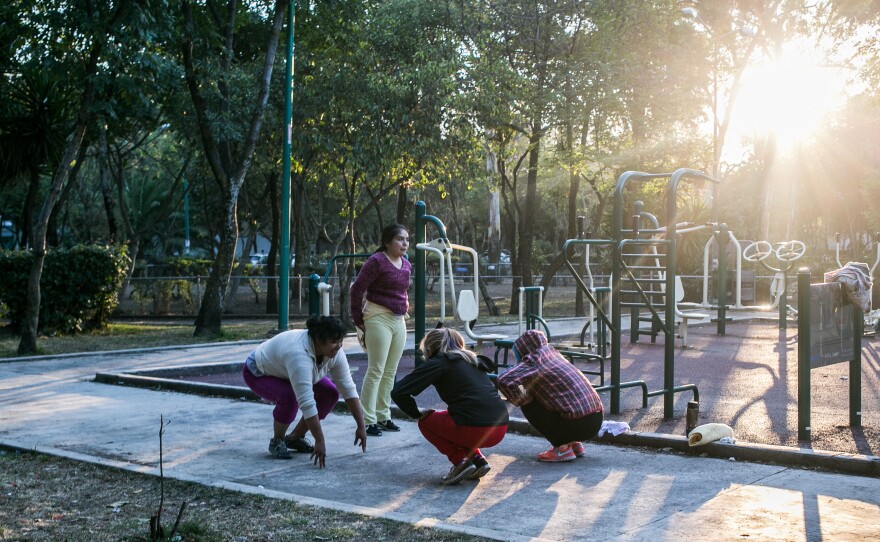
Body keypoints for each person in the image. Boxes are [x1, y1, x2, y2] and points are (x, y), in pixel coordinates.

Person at [242, 315, 367, 467]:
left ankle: (294, 438)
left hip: (285, 370)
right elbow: (306, 402)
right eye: (334, 341)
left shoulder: (334, 352)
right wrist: (319, 440)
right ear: (318, 340)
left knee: (330, 394)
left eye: (341, 340)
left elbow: (348, 387)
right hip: (258, 371)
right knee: (290, 397)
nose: (339, 345)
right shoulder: (298, 354)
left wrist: (361, 426)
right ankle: (277, 441)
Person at [391, 327, 509, 485]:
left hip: (475, 428)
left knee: (426, 422)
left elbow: (399, 392)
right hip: (500, 427)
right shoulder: (473, 360)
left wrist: (416, 414)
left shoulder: (439, 362)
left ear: (429, 348)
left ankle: (460, 462)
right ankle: (479, 461)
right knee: (454, 418)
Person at [496, 329, 604, 463]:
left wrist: (523, 398)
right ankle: (574, 444)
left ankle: (562, 448)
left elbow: (504, 379)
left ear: (523, 349)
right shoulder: (553, 354)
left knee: (528, 402)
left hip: (577, 424)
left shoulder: (534, 359)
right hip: (596, 420)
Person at [349, 224, 412, 437]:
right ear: (387, 242)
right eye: (400, 239)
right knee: (376, 369)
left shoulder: (406, 264)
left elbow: (402, 290)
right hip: (377, 317)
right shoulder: (376, 262)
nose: (405, 243)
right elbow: (357, 289)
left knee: (391, 371)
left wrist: (405, 306)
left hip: (398, 320)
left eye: (407, 239)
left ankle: (383, 415)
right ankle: (368, 420)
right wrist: (359, 320)